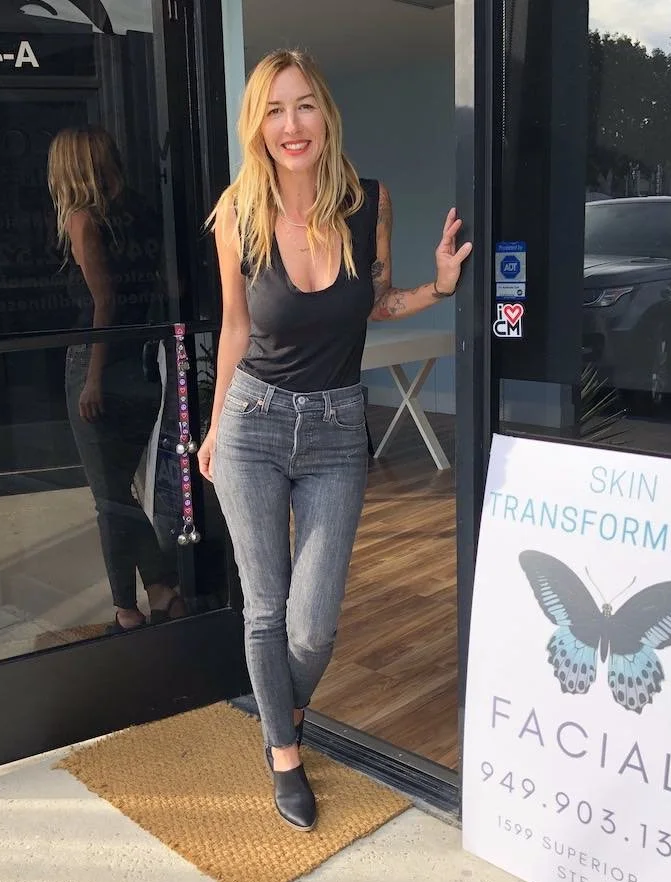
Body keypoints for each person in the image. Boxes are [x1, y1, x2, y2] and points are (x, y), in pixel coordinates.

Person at [201, 50, 472, 832]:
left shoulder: (368, 202)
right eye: (276, 110)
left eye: (306, 106)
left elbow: (376, 302)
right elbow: (235, 329)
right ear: (259, 124)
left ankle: (281, 710)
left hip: (334, 430)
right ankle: (284, 751)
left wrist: (439, 289)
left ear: (326, 115)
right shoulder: (238, 215)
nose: (293, 125)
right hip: (253, 422)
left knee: (312, 622)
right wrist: (217, 423)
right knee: (265, 608)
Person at [48, 125, 184, 633]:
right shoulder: (142, 212)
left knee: (107, 496)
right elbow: (171, 284)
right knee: (125, 490)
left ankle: (126, 609)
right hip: (146, 363)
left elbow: (104, 303)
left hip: (99, 362)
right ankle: (164, 590)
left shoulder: (84, 220)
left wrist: (93, 377)